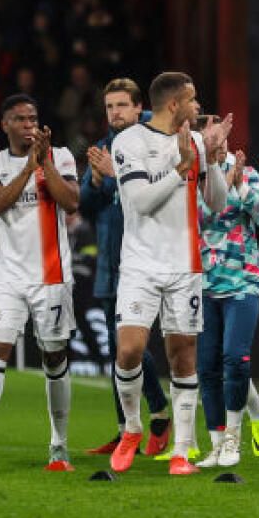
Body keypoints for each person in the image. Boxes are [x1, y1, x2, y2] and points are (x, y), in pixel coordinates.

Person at [99, 71, 231, 475]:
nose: (197, 106)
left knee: (183, 356)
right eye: (192, 100)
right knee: (129, 351)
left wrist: (216, 160)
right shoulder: (129, 142)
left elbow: (217, 202)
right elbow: (139, 202)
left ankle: (182, 450)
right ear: (174, 104)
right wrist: (181, 168)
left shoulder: (192, 141)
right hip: (140, 264)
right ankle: (133, 428)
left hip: (185, 265)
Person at [0, 94, 80, 471]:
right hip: (9, 274)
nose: (29, 124)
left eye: (33, 117)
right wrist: (28, 170)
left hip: (51, 274)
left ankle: (59, 444)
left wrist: (43, 162)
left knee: (54, 356)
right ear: (6, 125)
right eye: (21, 119)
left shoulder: (60, 155)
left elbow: (71, 202)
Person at [80, 78, 171, 458]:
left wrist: (112, 179)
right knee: (122, 351)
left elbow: (155, 192)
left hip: (155, 259)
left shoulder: (157, 140)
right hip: (111, 263)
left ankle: (164, 416)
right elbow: (83, 204)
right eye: (109, 107)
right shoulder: (103, 148)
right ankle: (124, 430)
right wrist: (98, 180)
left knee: (136, 346)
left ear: (138, 108)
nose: (115, 113)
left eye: (121, 105)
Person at [193, 141, 259, 468]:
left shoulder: (248, 174)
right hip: (201, 281)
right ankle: (216, 445)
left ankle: (233, 437)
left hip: (242, 279)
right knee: (208, 366)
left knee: (235, 358)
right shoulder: (191, 176)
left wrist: (241, 184)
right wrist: (224, 183)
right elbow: (196, 219)